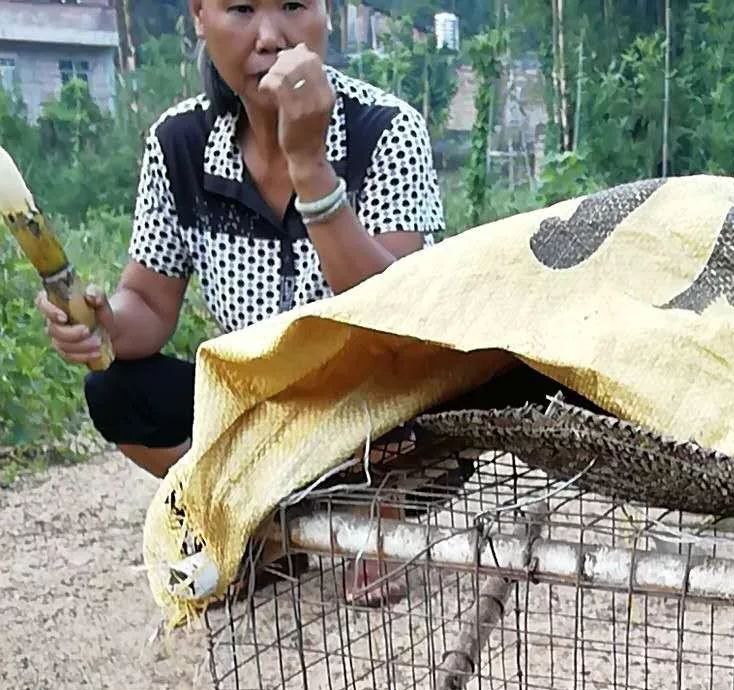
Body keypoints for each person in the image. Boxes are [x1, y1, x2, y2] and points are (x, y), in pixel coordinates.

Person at [36, 0, 444, 483]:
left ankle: (339, 511)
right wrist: (102, 323)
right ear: (199, 17)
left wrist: (311, 168)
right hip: (255, 405)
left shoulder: (384, 130)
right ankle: (251, 515)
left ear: (326, 11)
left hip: (374, 407)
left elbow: (392, 325)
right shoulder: (180, 143)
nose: (270, 36)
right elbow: (147, 301)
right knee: (116, 390)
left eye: (293, 6)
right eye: (242, 9)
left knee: (410, 411)